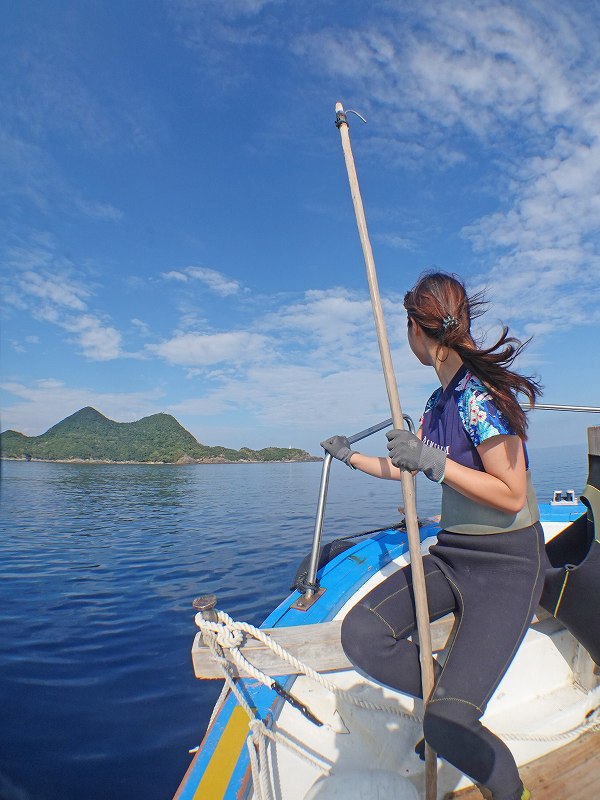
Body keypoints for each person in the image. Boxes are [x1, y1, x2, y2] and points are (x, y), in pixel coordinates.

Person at [321, 271, 545, 800]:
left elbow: (511, 493)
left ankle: (499, 777)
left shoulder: (480, 396)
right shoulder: (438, 402)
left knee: (447, 723)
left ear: (419, 331)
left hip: (507, 566)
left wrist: (434, 463)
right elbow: (409, 468)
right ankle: (449, 688)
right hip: (453, 555)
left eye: (407, 329)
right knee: (363, 635)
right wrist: (351, 457)